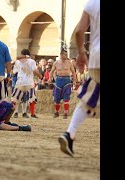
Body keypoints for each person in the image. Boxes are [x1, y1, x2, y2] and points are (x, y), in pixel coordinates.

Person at [58, 0, 99, 157]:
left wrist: (81, 52)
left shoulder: (92, 3)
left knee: (88, 97)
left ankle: (70, 133)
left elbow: (79, 31)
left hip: (96, 57)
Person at [11, 49, 43, 119]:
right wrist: (40, 76)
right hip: (29, 82)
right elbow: (34, 71)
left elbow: (14, 72)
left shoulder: (17, 62)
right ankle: (31, 113)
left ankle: (14, 112)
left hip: (20, 82)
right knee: (31, 97)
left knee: (16, 98)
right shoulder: (31, 61)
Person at [48, 49, 77, 119]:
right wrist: (50, 78)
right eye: (65, 54)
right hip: (58, 80)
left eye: (67, 54)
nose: (66, 56)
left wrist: (74, 81)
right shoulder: (56, 63)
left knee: (66, 98)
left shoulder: (69, 63)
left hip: (67, 80)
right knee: (57, 98)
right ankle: (56, 112)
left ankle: (66, 113)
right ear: (61, 55)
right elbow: (52, 71)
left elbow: (73, 72)